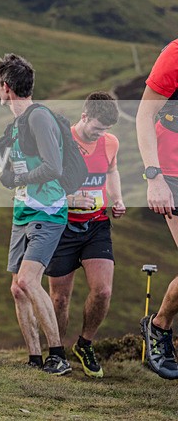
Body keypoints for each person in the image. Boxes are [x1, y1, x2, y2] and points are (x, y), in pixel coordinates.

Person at [0, 53, 71, 375]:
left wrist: (20, 178)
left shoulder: (39, 117)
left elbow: (53, 167)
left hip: (47, 212)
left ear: (6, 87)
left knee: (28, 281)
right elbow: (17, 170)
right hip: (23, 211)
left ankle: (59, 355)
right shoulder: (16, 125)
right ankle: (35, 358)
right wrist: (6, 171)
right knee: (17, 288)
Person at [46, 92, 125, 378]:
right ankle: (56, 352)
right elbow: (41, 186)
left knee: (103, 290)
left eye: (106, 129)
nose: (101, 134)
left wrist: (117, 199)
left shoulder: (110, 142)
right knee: (60, 298)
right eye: (97, 128)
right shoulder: (59, 142)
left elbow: (112, 171)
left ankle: (85, 344)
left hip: (96, 225)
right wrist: (69, 200)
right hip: (62, 227)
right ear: (84, 116)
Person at [138, 39, 178, 380]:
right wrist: (154, 177)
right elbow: (144, 115)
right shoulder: (175, 54)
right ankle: (160, 325)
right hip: (173, 171)